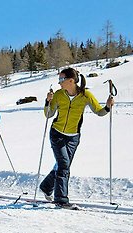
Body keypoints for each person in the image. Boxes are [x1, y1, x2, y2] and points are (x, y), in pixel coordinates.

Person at [39, 67, 114, 207]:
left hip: (73, 137)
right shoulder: (58, 94)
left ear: (71, 80)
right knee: (63, 165)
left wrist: (108, 107)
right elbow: (48, 115)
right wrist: (47, 101)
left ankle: (46, 186)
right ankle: (61, 199)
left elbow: (99, 111)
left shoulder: (86, 95)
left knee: (62, 165)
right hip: (57, 134)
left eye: (62, 79)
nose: (59, 82)